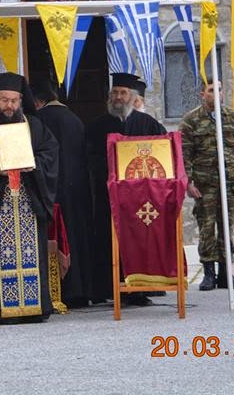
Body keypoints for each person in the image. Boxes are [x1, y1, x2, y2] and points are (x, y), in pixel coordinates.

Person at [0, 72, 59, 324]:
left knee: (31, 256)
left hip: (28, 203)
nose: (10, 106)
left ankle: (34, 307)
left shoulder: (35, 126)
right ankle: (0, 311)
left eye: (15, 101)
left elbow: (50, 154)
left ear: (21, 100)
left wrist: (34, 165)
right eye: (4, 100)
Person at [84, 73, 164, 304]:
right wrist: (111, 171)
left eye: (123, 93)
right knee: (106, 239)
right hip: (107, 195)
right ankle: (106, 289)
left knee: (138, 241)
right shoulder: (98, 125)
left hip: (141, 197)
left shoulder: (148, 124)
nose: (119, 97)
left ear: (133, 97)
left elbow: (160, 155)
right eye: (115, 93)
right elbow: (90, 157)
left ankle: (137, 290)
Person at [30, 76, 93, 308]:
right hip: (77, 190)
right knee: (77, 237)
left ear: (36, 102)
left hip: (50, 191)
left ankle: (59, 291)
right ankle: (82, 290)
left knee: (55, 239)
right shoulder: (74, 119)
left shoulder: (38, 120)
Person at [180, 82, 234, 292]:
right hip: (204, 183)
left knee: (227, 227)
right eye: (211, 90)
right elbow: (185, 153)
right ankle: (208, 273)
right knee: (207, 227)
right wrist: (188, 182)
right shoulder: (191, 120)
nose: (216, 94)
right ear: (202, 94)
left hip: (229, 183)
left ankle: (226, 273)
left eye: (219, 90)